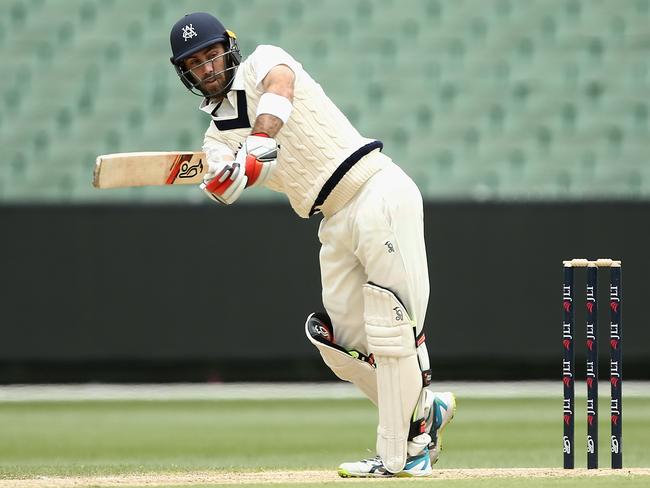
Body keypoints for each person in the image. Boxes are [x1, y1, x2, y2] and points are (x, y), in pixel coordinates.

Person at [169, 12, 456, 478]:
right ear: (185, 73)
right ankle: (425, 411)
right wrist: (227, 175)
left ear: (229, 47)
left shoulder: (265, 61)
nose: (207, 67)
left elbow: (281, 88)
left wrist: (260, 140)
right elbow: (224, 185)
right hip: (330, 219)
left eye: (211, 54)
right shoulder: (216, 136)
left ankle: (406, 453)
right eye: (194, 63)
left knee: (391, 328)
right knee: (340, 344)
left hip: (374, 189)